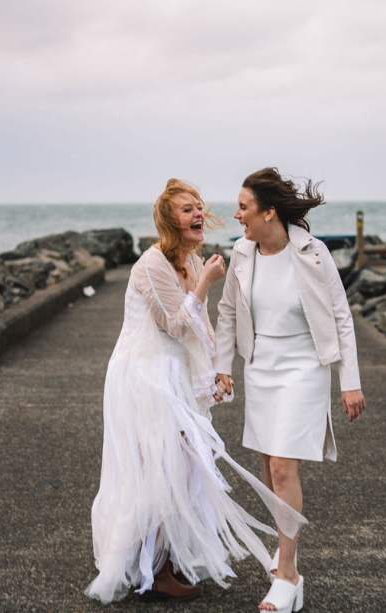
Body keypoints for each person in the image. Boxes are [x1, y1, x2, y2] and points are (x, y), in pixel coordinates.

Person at [86, 178, 306, 605]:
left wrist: (218, 372)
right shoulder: (152, 264)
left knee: (181, 467)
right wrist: (205, 281)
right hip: (145, 375)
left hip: (174, 372)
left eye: (198, 207)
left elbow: (199, 326)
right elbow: (173, 325)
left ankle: (159, 560)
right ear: (170, 220)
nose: (198, 214)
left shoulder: (189, 258)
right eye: (187, 210)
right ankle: (156, 572)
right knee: (159, 469)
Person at [214, 168, 366, 612]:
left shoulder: (313, 251)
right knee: (269, 468)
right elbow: (227, 313)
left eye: (244, 207)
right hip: (261, 366)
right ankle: (291, 571)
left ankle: (286, 573)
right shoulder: (243, 252)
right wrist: (223, 367)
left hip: (304, 367)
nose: (237, 215)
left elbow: (340, 316)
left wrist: (349, 382)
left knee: (282, 467)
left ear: (269, 212)